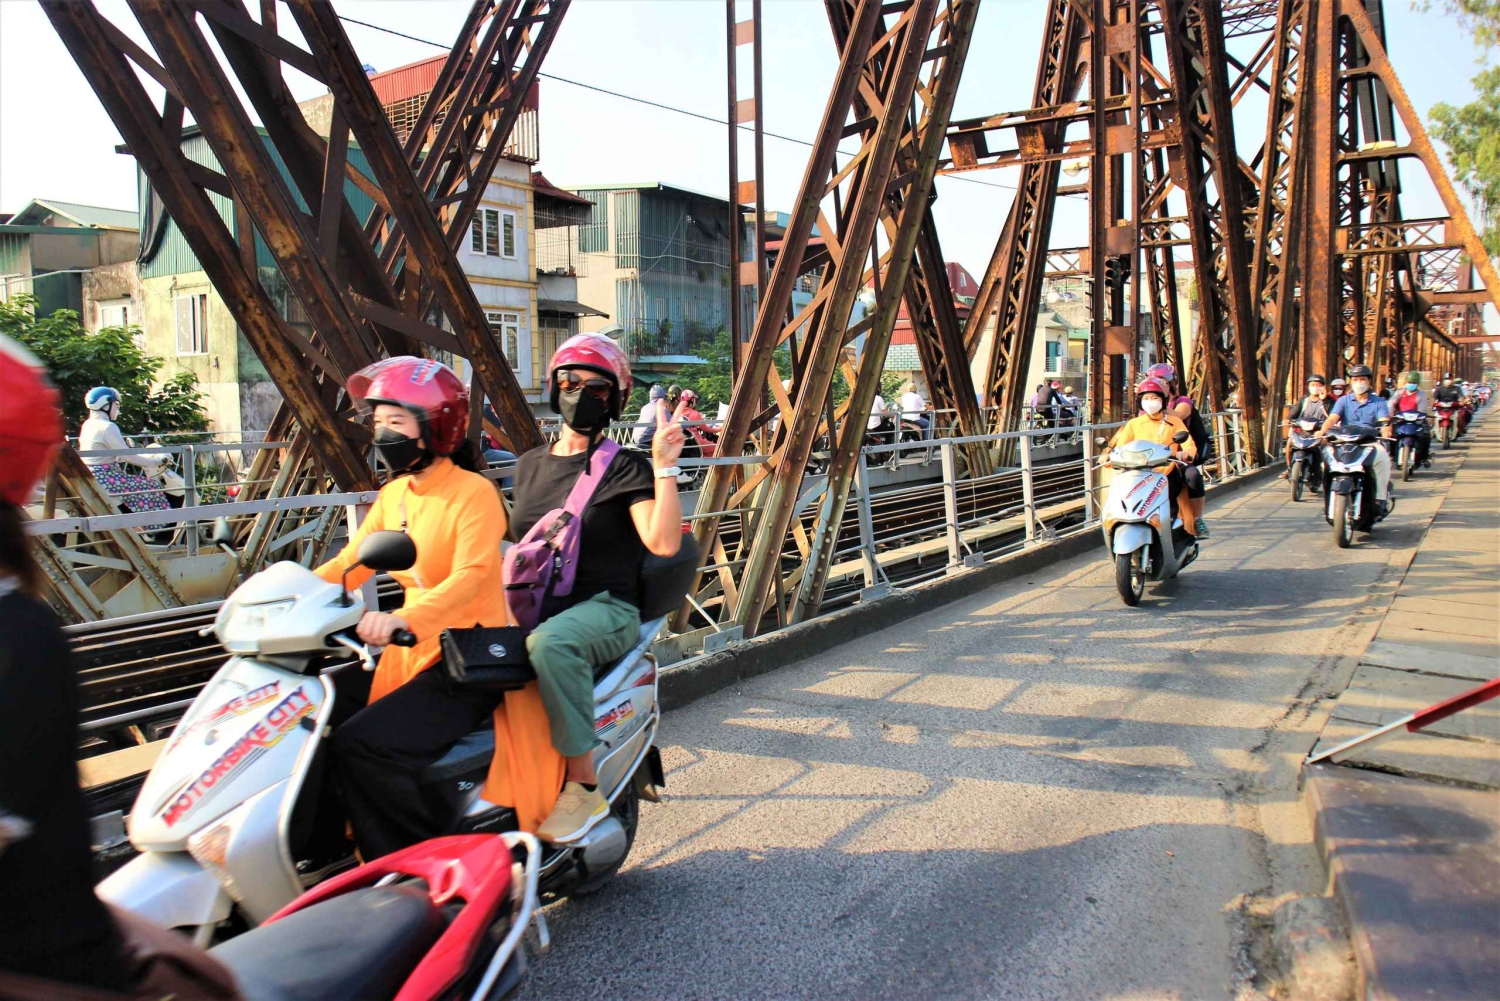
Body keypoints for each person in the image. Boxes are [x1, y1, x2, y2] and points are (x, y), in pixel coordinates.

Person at [314, 357, 522, 861]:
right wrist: (279, 595)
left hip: (466, 657)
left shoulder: (475, 493)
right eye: (378, 422)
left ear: (434, 427)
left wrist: (404, 619)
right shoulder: (394, 495)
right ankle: (322, 855)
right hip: (409, 652)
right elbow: (351, 563)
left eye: (397, 422)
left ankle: (414, 870)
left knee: (364, 745)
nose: (383, 434)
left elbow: (469, 577)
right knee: (309, 717)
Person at [509, 334, 684, 843]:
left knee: (552, 643)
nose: (579, 393)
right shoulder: (527, 466)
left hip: (605, 608)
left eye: (596, 388)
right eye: (569, 382)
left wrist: (665, 466)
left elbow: (664, 541)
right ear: (553, 387)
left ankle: (582, 786)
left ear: (615, 399)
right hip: (537, 605)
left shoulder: (625, 467)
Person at [1105, 376, 1199, 538]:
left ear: (1162, 401)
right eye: (1146, 398)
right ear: (1140, 401)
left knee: (1192, 476)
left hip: (1166, 471)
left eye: (1154, 398)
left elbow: (1189, 445)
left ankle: (1194, 520)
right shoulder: (1134, 423)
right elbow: (1120, 445)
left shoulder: (1174, 422)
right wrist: (1109, 455)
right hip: (1138, 472)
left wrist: (1185, 453)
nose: (1150, 402)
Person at [79, 386, 172, 516]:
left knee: (138, 486)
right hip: (106, 478)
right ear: (105, 404)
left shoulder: (88, 424)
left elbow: (106, 451)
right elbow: (128, 456)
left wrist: (119, 457)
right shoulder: (107, 427)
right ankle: (157, 527)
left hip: (95, 476)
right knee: (150, 486)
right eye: (115, 404)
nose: (117, 408)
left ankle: (142, 526)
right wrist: (155, 462)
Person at [1319, 364, 1393, 516]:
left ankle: (1380, 498)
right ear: (1351, 382)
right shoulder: (1343, 401)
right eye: (1355, 379)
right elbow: (1333, 417)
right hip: (1345, 441)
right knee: (1326, 461)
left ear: (1369, 383)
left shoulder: (1379, 402)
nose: (1359, 383)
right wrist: (1322, 431)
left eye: (1362, 379)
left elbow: (1384, 420)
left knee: (1383, 458)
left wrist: (1385, 429)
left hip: (1368, 442)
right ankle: (1328, 498)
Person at [1147, 363, 1211, 537]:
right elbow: (1129, 432)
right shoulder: (1143, 412)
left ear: (1170, 384)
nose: (1156, 386)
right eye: (1152, 382)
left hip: (1177, 456)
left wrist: (1158, 404)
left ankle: (1198, 519)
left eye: (1160, 382)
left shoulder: (1182, 402)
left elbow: (1179, 415)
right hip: (1152, 458)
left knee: (1193, 476)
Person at [1282, 374, 1329, 474]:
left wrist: (1325, 400)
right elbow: (1295, 410)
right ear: (1309, 386)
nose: (1315, 387)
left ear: (1323, 387)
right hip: (1303, 430)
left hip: (1319, 431)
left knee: (1326, 444)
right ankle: (1289, 466)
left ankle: (1324, 468)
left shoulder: (1327, 400)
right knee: (1290, 442)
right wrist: (1288, 419)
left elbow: (1332, 414)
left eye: (1318, 385)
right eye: (1313, 385)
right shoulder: (1304, 400)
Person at [1389, 371, 1432, 469]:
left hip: (1417, 421)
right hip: (1402, 419)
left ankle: (1424, 457)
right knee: (1392, 435)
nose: (1411, 384)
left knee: (1426, 435)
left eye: (1414, 383)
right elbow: (1391, 403)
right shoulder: (1399, 392)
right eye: (1409, 382)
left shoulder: (1421, 395)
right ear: (1406, 382)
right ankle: (1392, 454)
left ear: (1417, 384)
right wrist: (1391, 412)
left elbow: (1422, 409)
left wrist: (1421, 416)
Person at [632, 383, 669, 448]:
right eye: (664, 398)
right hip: (648, 441)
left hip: (636, 440)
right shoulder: (661, 409)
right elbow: (672, 424)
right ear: (661, 398)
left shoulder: (644, 408)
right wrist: (688, 424)